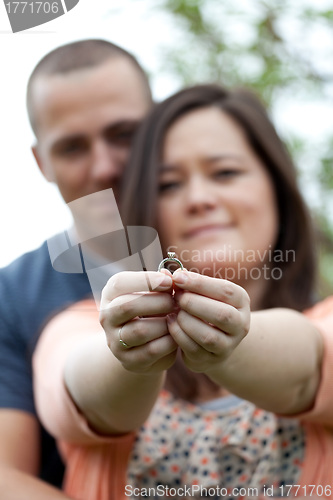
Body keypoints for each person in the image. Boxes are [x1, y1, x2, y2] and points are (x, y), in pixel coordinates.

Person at [33, 85, 333, 499]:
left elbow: (312, 362)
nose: (198, 199)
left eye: (225, 173)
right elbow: (81, 390)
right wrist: (128, 346)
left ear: (276, 188)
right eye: (169, 184)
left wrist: (230, 338)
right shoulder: (79, 325)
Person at [0, 39, 152, 498]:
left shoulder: (227, 242)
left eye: (124, 134)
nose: (104, 166)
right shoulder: (14, 294)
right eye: (72, 148)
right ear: (40, 162)